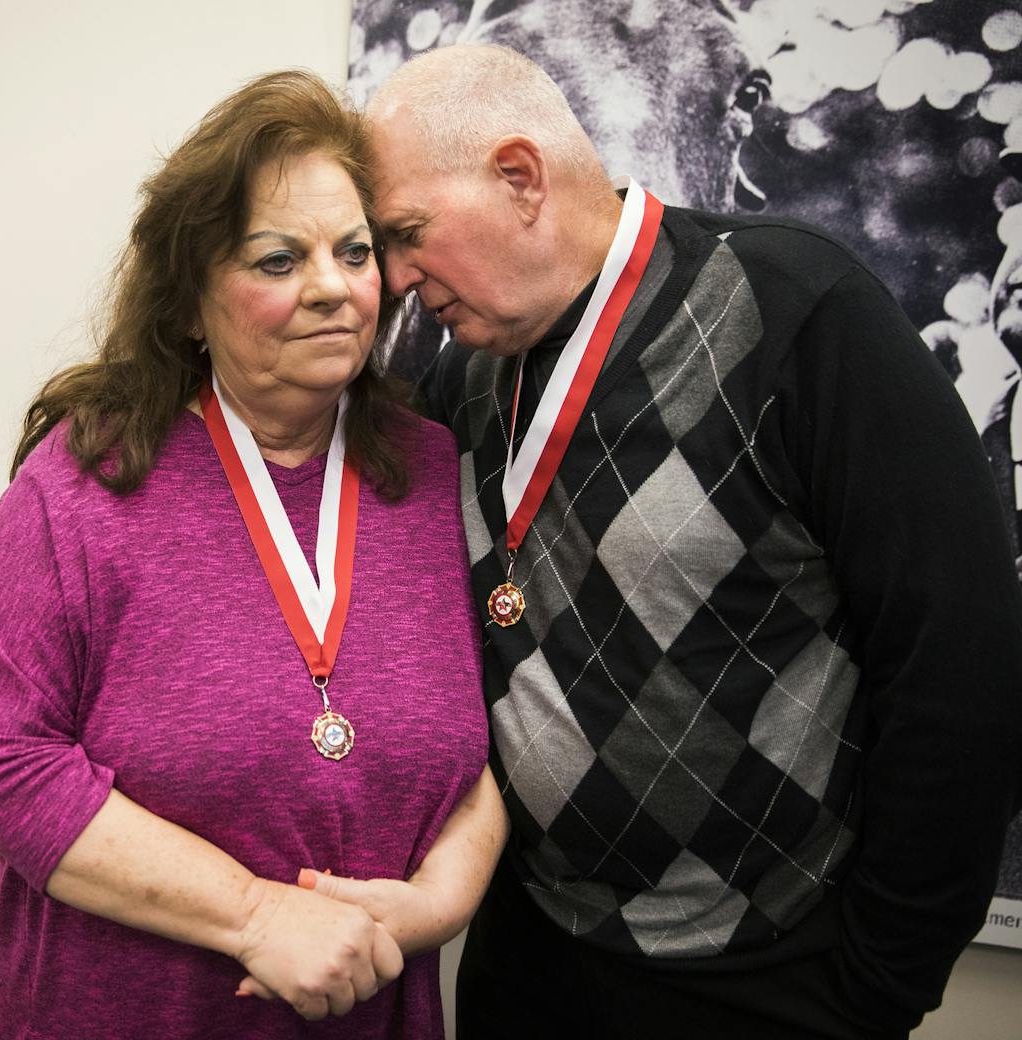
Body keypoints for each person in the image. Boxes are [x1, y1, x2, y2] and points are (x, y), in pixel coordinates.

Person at [359, 44, 1022, 1040]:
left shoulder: (799, 311)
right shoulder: (466, 383)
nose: (399, 277)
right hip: (533, 960)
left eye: (408, 234)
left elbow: (960, 665)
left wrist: (884, 978)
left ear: (520, 176)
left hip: (772, 977)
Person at [0, 70, 507, 1039]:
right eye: (278, 259)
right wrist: (254, 913)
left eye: (355, 250)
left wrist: (444, 901)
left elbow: (502, 731)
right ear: (192, 297)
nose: (332, 286)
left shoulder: (432, 469)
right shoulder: (84, 479)